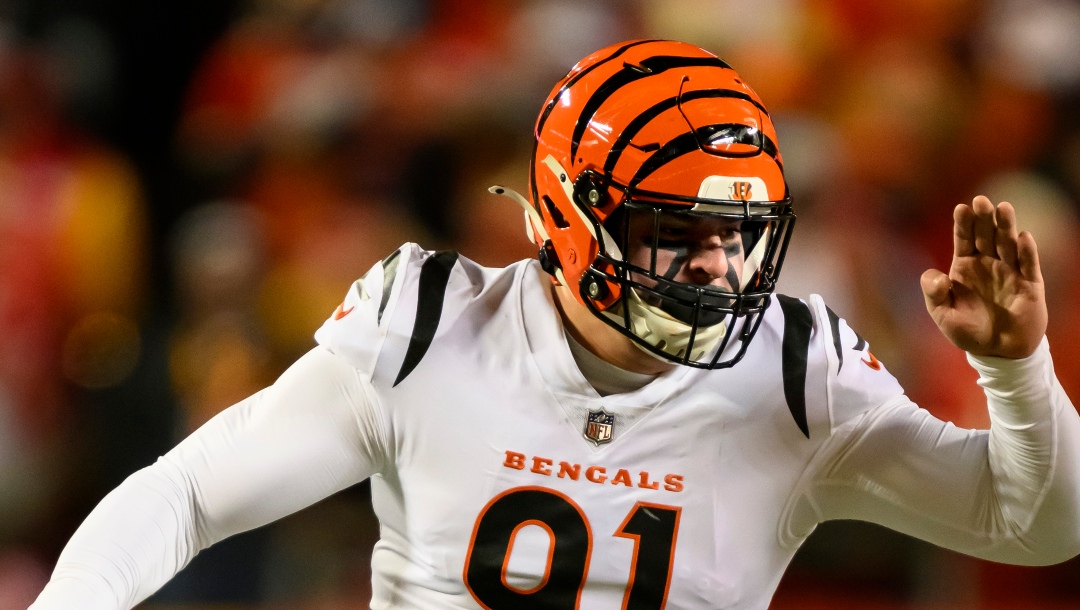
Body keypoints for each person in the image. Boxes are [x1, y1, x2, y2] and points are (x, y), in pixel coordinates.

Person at [30, 39, 1080, 610]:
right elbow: (184, 496)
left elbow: (1040, 527)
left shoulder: (796, 373)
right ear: (571, 220)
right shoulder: (428, 331)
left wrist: (1017, 370)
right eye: (678, 231)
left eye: (741, 231)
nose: (718, 264)